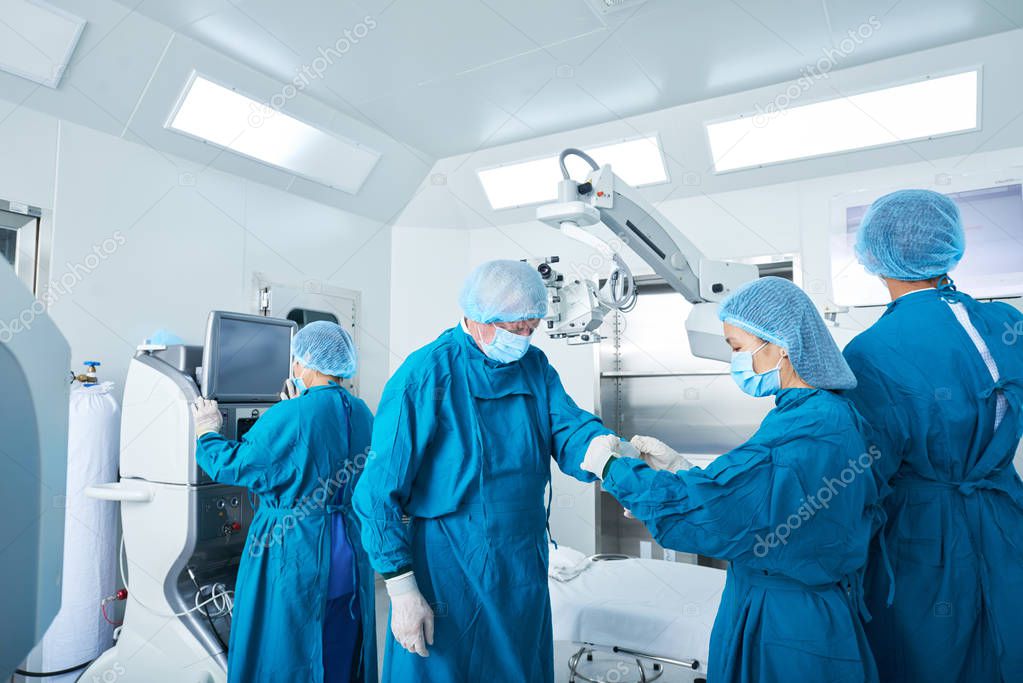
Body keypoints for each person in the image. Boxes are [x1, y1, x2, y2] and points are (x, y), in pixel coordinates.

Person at [581, 276, 882, 683]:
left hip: (789, 626)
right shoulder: (808, 414)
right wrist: (682, 472)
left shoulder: (814, 427)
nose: (736, 363)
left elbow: (719, 515)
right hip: (778, 604)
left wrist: (614, 470)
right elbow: (764, 499)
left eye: (738, 349)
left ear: (782, 344)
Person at [353, 259, 632, 683]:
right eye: (514, 328)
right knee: (445, 668)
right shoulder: (427, 373)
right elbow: (376, 492)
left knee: (517, 665)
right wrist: (401, 586)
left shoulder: (534, 367)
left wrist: (610, 459)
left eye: (530, 329)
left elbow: (568, 428)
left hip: (520, 557)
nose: (522, 339)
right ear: (475, 316)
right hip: (447, 561)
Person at [842, 189, 1023, 682]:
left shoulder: (871, 351)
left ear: (875, 257)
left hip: (922, 535)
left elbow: (865, 473)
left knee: (927, 656)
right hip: (1006, 517)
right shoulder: (1009, 323)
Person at [190, 321, 377, 683]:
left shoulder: (290, 415)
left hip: (297, 549)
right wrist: (294, 412)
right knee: (337, 644)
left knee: (284, 646)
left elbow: (233, 463)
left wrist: (207, 430)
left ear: (306, 364)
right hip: (349, 553)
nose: (294, 368)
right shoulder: (362, 412)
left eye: (296, 361)